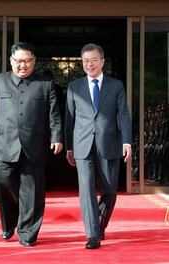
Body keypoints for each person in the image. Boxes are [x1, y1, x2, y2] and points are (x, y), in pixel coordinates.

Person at [0, 42, 63, 247]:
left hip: (34, 146)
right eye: (18, 61)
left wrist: (57, 137)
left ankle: (27, 233)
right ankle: (9, 222)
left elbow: (54, 114)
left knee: (32, 193)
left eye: (27, 61)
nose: (22, 65)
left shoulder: (45, 84)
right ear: (11, 61)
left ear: (34, 61)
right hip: (3, 145)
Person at [65, 43, 132, 249]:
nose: (89, 64)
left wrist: (127, 141)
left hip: (109, 143)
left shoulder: (116, 85)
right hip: (82, 145)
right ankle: (92, 234)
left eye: (93, 59)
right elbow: (69, 118)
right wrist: (69, 147)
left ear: (102, 61)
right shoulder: (74, 87)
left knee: (110, 190)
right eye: (85, 60)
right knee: (86, 190)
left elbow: (123, 114)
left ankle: (100, 224)